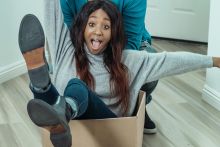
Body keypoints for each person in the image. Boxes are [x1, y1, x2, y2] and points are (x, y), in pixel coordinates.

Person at [18, 0, 220, 147]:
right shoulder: (67, 49)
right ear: (82, 28)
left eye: (106, 26)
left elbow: (171, 61)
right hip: (66, 118)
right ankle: (45, 90)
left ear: (114, 32)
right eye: (92, 24)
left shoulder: (129, 60)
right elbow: (53, 7)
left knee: (75, 87)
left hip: (108, 123)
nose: (98, 31)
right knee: (62, 93)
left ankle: (46, 94)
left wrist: (212, 61)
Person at [60, 0, 158, 134]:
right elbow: (69, 35)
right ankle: (71, 105)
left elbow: (131, 44)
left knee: (147, 62)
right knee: (60, 69)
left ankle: (136, 103)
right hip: (84, 44)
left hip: (122, 46)